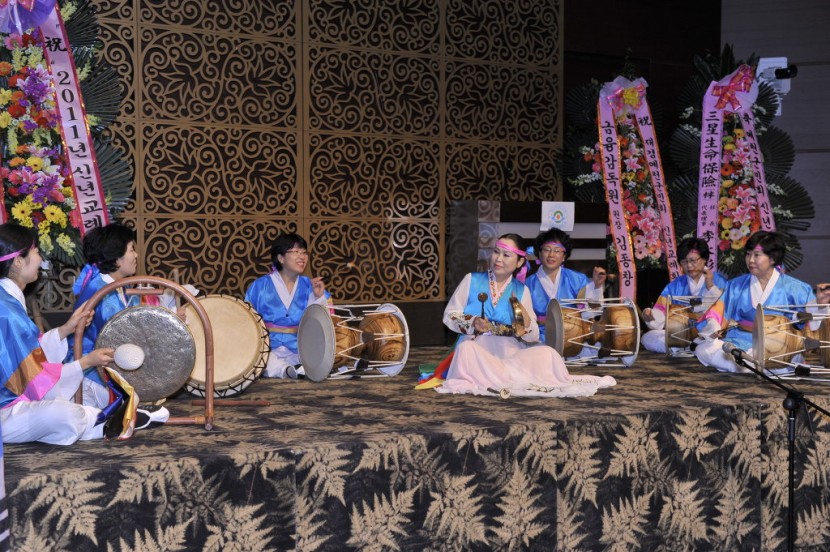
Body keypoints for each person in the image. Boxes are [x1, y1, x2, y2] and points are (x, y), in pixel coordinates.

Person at [0, 223, 167, 444]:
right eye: (37, 252)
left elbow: (31, 355)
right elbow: (31, 375)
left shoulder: (9, 301)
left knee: (65, 410)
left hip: (23, 396)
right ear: (18, 262)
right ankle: (113, 420)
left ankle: (111, 417)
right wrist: (85, 363)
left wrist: (66, 329)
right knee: (61, 414)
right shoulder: (7, 310)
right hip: (7, 407)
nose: (41, 259)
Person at [434, 233, 615, 397]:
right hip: (478, 349)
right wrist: (472, 321)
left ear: (519, 262)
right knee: (466, 349)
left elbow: (533, 335)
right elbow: (449, 315)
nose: (498, 258)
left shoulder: (522, 290)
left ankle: (504, 377)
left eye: (506, 255)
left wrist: (526, 324)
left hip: (510, 354)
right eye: (496, 252)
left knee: (549, 354)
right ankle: (506, 378)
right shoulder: (472, 280)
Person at [695, 231, 830, 373]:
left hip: (781, 345)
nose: (751, 260)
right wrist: (714, 327)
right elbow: (719, 311)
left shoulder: (795, 288)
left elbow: (811, 321)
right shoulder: (735, 285)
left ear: (772, 258)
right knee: (703, 349)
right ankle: (758, 366)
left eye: (757, 255)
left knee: (787, 357)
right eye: (748, 254)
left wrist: (820, 305)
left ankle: (750, 365)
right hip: (740, 339)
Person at [245, 233, 330, 378]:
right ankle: (287, 370)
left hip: (299, 348)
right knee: (263, 360)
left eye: (304, 252)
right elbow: (247, 321)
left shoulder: (310, 286)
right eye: (296, 252)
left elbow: (320, 323)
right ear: (281, 258)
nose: (302, 257)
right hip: (268, 347)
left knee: (317, 357)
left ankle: (292, 369)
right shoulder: (259, 287)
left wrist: (318, 297)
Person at [641, 238, 727, 353]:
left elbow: (723, 313)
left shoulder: (719, 281)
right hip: (680, 333)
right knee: (647, 338)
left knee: (714, 336)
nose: (689, 266)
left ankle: (686, 347)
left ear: (704, 259)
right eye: (684, 262)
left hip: (707, 333)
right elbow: (661, 311)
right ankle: (688, 347)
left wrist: (710, 286)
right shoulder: (675, 285)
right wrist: (651, 315)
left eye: (693, 260)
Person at [524, 228, 594, 343]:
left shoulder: (578, 280)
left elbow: (590, 312)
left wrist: (597, 287)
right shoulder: (527, 285)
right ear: (539, 253)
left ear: (564, 256)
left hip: (574, 338)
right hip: (540, 339)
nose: (551, 255)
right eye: (547, 250)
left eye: (557, 251)